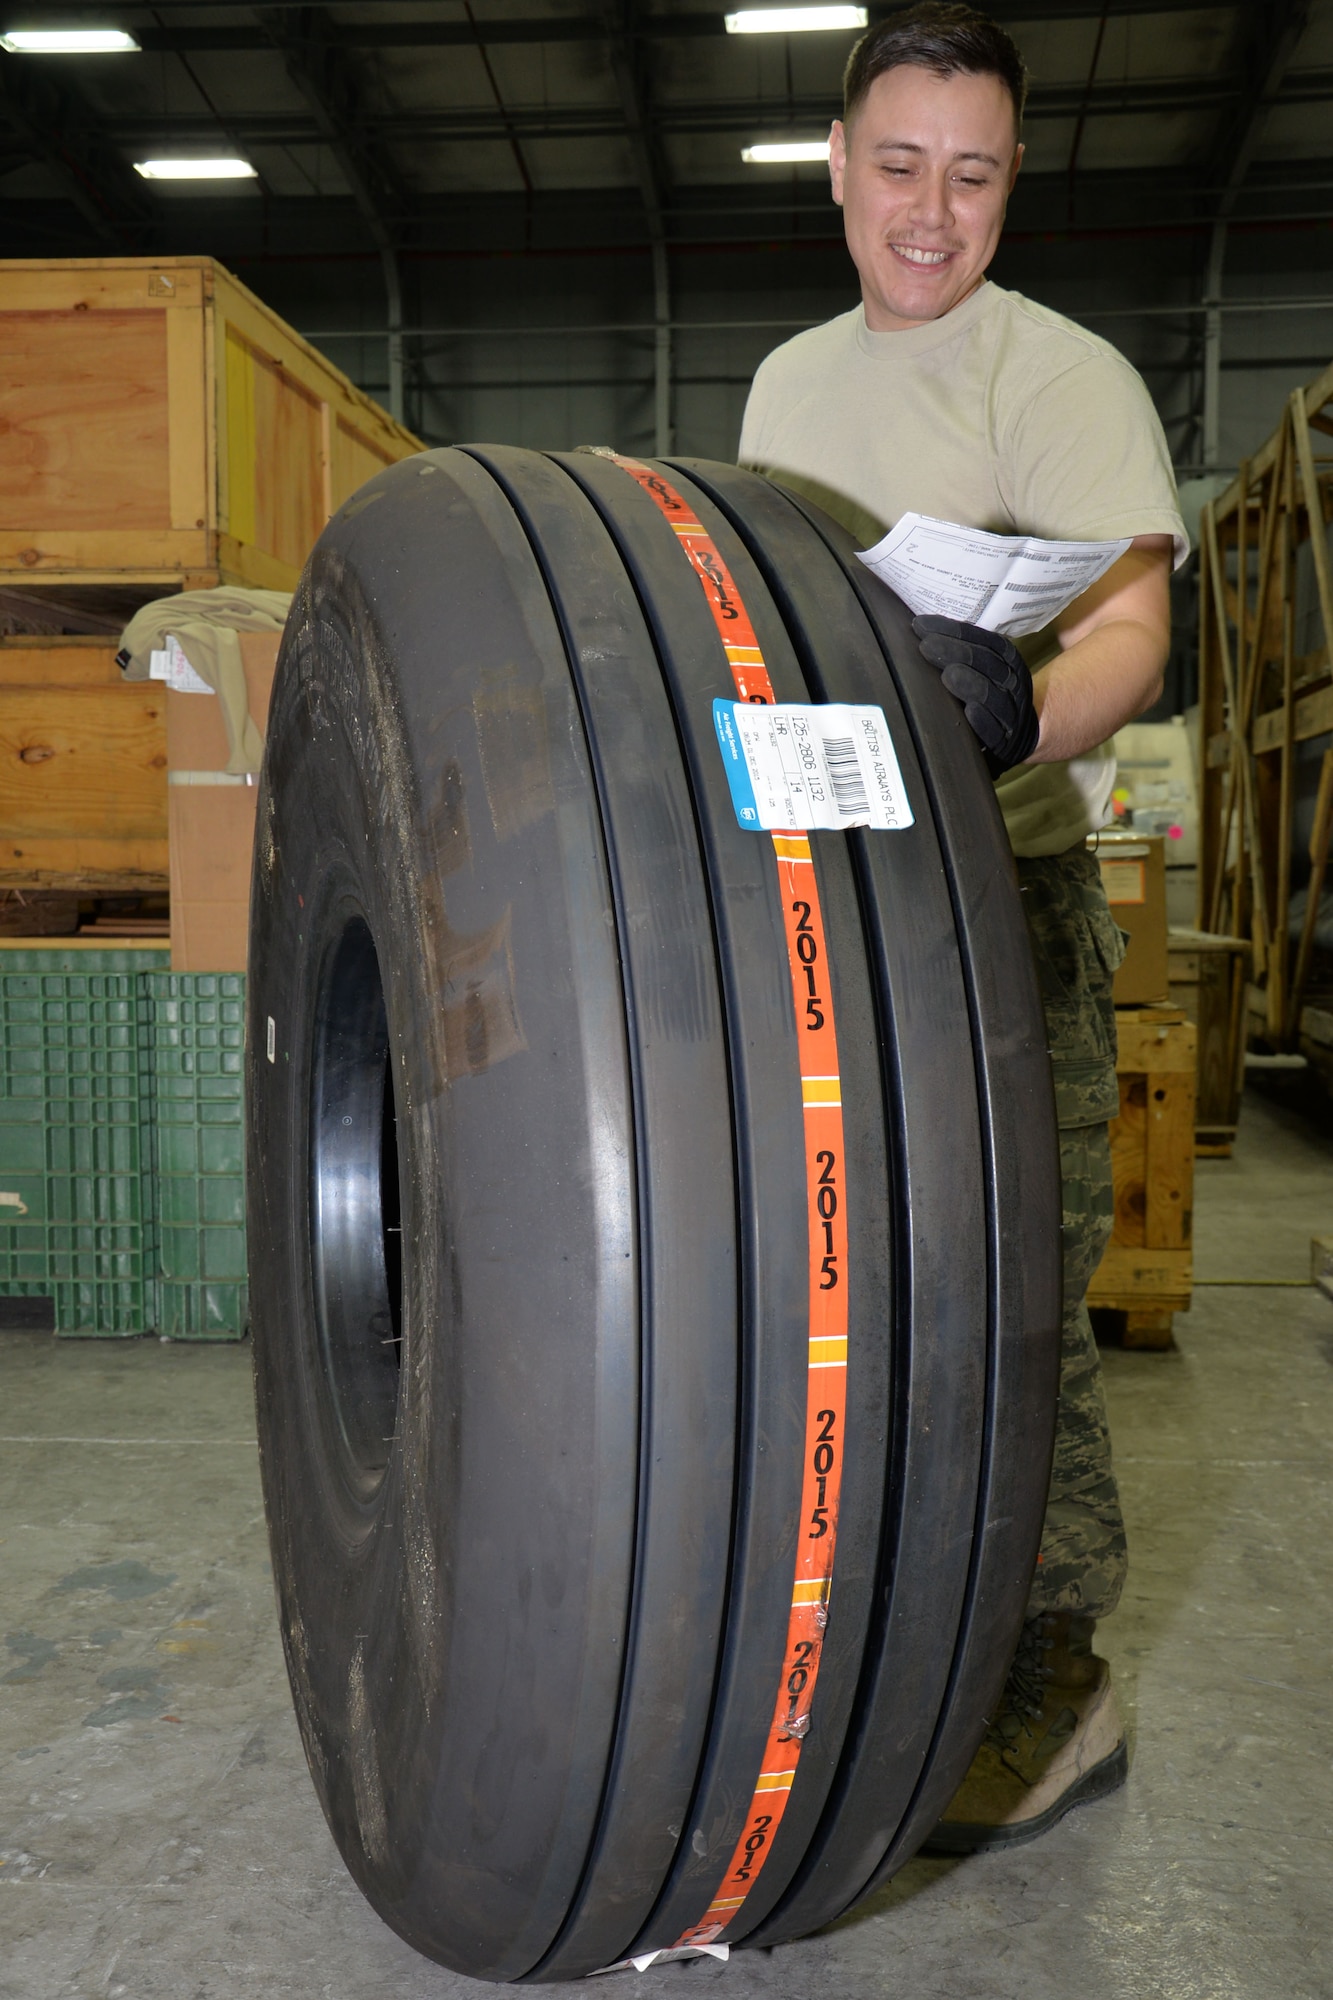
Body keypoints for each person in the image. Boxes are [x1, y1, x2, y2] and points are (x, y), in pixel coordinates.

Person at [739, 1, 1187, 1852]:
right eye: (899, 166)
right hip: (840, 892)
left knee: (1013, 1300)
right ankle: (906, 1652)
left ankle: (1057, 1686)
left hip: (999, 901)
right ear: (839, 166)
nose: (930, 213)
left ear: (1015, 181)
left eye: (974, 174)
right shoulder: (781, 381)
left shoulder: (1058, 372)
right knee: (867, 1293)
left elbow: (1130, 636)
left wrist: (1021, 709)